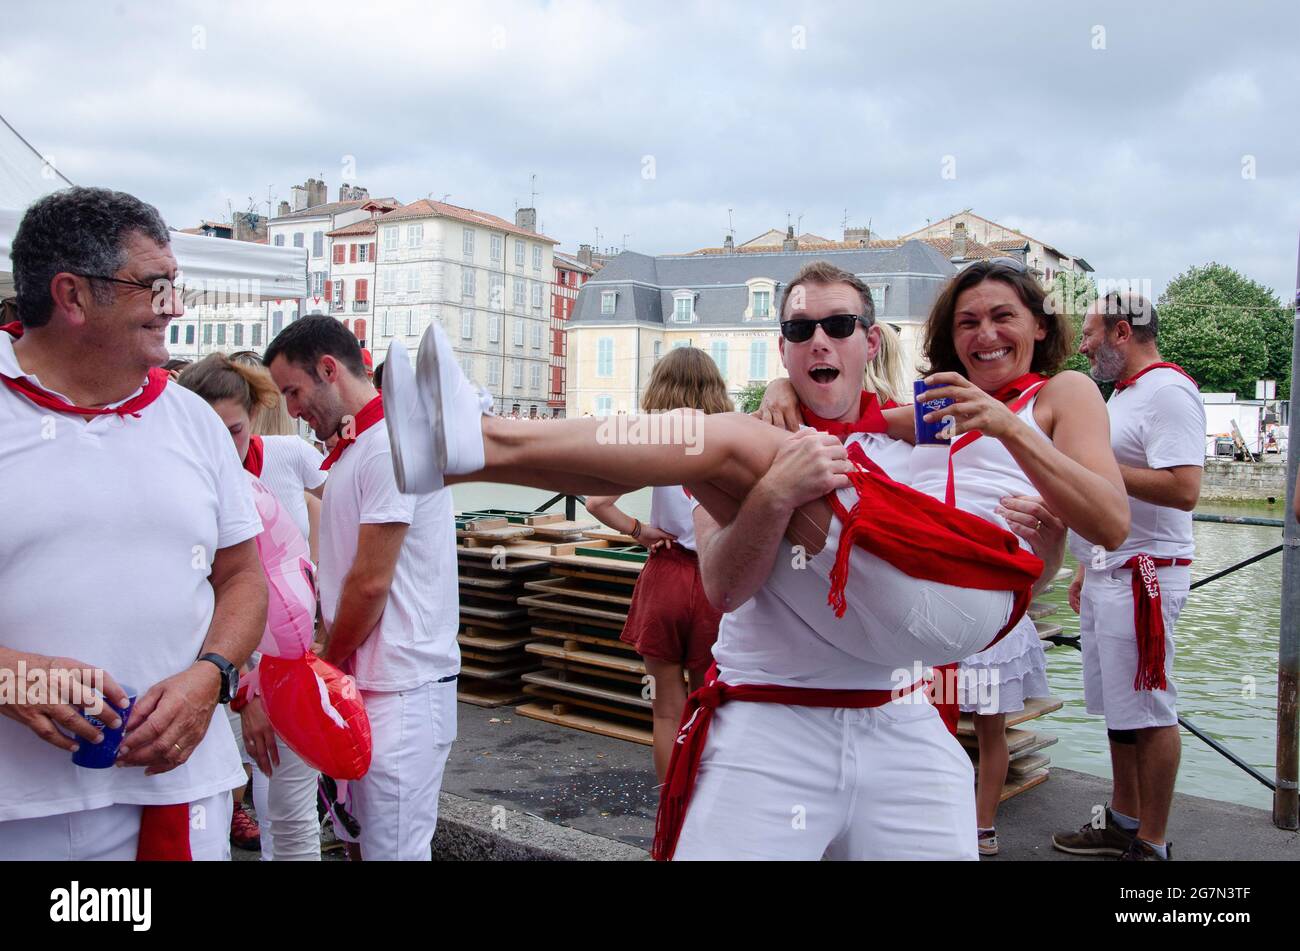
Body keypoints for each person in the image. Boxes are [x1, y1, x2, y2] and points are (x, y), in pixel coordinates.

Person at [380, 261, 1128, 858]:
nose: (819, 343)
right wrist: (773, 483)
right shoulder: (903, 425)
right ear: (783, 347)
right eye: (800, 331)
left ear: (872, 341)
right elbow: (727, 582)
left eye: (838, 327)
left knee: (726, 440)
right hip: (849, 666)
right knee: (707, 447)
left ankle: (474, 439)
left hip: (946, 606)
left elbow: (1113, 518)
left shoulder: (1044, 395)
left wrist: (1013, 441)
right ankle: (456, 456)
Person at [760, 258, 1123, 855]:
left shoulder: (1064, 392)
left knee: (968, 741)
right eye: (967, 322)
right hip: (907, 609)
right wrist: (782, 385)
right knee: (916, 767)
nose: (985, 335)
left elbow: (1111, 521)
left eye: (1004, 317)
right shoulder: (943, 404)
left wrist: (1012, 429)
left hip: (974, 605)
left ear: (1038, 326)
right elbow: (853, 417)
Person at [0, 186, 266, 860]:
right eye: (155, 286)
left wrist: (211, 675)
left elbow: (244, 579)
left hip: (185, 792)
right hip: (21, 810)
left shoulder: (195, 421)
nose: (174, 307)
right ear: (72, 296)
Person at [263, 316, 458, 862]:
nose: (293, 409)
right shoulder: (360, 446)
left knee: (391, 851)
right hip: (371, 683)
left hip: (400, 686)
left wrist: (325, 657)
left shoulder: (385, 444)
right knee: (361, 844)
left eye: (294, 392)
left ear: (329, 369)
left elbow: (370, 582)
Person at [1053, 291, 1204, 862]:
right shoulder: (1124, 395)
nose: (1084, 345)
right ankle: (1123, 821)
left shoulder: (1167, 392)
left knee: (1150, 706)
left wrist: (1092, 468)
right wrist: (1085, 567)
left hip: (1144, 576)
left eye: (1090, 334)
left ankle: (1153, 842)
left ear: (1122, 332)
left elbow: (1185, 489)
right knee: (1121, 707)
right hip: (1109, 572)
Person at [177, 354, 323, 861]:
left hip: (277, 669)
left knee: (287, 812)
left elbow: (319, 509)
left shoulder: (251, 481)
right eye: (208, 431)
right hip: (228, 676)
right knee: (221, 812)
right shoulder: (196, 493)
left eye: (234, 431)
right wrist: (249, 695)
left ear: (254, 419)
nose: (222, 446)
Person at [584, 347, 731, 781]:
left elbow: (595, 502)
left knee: (666, 711)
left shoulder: (653, 440)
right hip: (715, 577)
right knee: (710, 705)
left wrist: (638, 530)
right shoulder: (727, 437)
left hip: (666, 576)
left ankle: (671, 808)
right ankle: (707, 808)